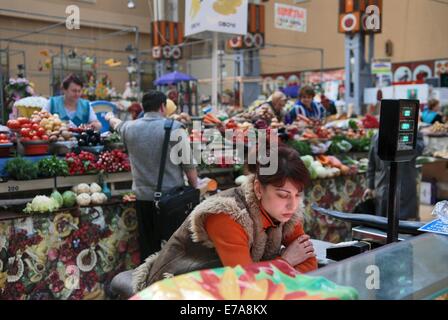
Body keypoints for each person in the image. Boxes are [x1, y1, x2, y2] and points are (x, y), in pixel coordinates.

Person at [131, 146, 317, 292]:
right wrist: (284, 262)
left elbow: (309, 263)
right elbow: (245, 282)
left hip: (221, 287)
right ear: (259, 189)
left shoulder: (287, 212)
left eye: (298, 195)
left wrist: (273, 271)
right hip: (174, 286)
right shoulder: (228, 214)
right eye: (283, 195)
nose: (292, 205)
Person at [105, 90, 198, 261]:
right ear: (163, 106)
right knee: (173, 250)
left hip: (143, 199)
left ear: (143, 107)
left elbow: (117, 124)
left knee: (149, 251)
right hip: (172, 200)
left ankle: (149, 284)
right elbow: (188, 165)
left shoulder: (129, 128)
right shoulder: (175, 128)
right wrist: (195, 187)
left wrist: (109, 117)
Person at [363, 132, 425, 220]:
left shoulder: (413, 134)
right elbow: (371, 163)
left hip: (404, 189)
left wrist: (401, 138)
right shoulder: (377, 136)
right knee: (382, 223)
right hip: (382, 189)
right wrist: (370, 186)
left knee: (403, 224)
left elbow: (419, 150)